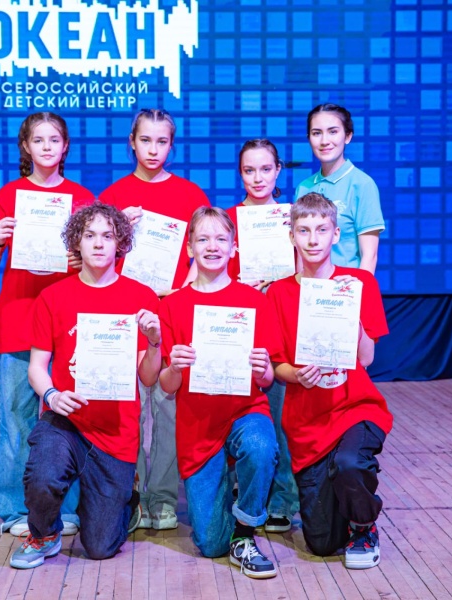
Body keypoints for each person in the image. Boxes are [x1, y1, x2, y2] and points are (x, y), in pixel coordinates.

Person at [10, 202, 161, 569]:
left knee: (100, 547)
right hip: (66, 421)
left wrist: (155, 342)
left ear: (120, 243)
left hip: (116, 430)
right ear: (76, 242)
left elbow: (148, 377)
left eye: (107, 236)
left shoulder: (141, 297)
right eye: (89, 235)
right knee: (42, 476)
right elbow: (37, 368)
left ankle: (125, 499)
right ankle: (44, 535)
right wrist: (51, 395)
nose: (98, 243)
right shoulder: (53, 297)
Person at [0, 112, 91, 537]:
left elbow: (97, 264)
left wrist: (81, 259)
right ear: (25, 146)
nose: (46, 146)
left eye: (54, 139)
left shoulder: (80, 197)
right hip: (18, 320)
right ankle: (13, 509)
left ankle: (68, 508)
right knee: (16, 420)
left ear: (65, 146)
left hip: (68, 323)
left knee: (70, 419)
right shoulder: (10, 195)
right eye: (38, 139)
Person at [267, 193, 392, 569]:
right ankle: (341, 499)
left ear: (336, 234)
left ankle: (364, 526)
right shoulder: (279, 292)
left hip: (355, 408)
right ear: (292, 236)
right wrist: (296, 374)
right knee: (321, 544)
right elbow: (277, 365)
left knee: (351, 462)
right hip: (308, 422)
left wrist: (349, 309)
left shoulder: (359, 283)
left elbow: (366, 358)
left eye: (322, 230)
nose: (313, 239)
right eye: (304, 230)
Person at [98, 108, 210, 530]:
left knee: (166, 409)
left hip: (172, 310)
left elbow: (203, 254)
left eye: (162, 141)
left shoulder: (190, 194)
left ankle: (161, 499)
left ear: (172, 145)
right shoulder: (113, 195)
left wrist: (185, 288)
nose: (153, 149)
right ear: (132, 141)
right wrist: (117, 229)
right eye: (145, 140)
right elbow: (98, 258)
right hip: (123, 313)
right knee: (128, 408)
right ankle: (128, 496)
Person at [159, 207, 279, 579]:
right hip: (198, 427)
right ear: (189, 249)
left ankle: (245, 532)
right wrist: (175, 367)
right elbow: (166, 385)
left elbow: (267, 380)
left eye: (221, 239)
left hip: (245, 411)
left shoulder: (255, 301)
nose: (212, 246)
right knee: (210, 544)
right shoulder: (172, 305)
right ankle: (227, 492)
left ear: (234, 248)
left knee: (260, 446)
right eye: (203, 239)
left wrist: (262, 368)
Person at [224, 139, 298, 534]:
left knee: (283, 419)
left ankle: (283, 499)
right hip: (238, 332)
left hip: (282, 330)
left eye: (265, 169)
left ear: (278, 170)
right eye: (249, 170)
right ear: (240, 173)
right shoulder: (228, 221)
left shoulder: (292, 220)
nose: (258, 178)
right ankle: (241, 490)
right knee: (240, 416)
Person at [295, 103, 385, 274]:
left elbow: (370, 256)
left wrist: (359, 287)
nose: (324, 141)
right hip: (309, 287)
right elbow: (301, 255)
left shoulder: (362, 185)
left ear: (348, 136)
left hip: (346, 287)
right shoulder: (303, 188)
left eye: (333, 132)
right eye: (316, 133)